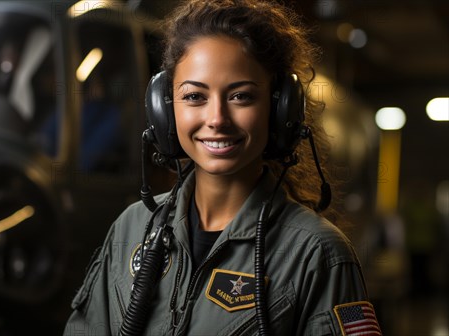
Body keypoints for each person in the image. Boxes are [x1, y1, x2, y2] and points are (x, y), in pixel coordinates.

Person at [63, 0, 381, 335]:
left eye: (241, 96)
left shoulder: (317, 253)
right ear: (164, 109)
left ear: (280, 111)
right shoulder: (131, 229)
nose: (216, 119)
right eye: (194, 97)